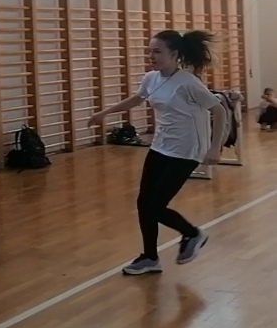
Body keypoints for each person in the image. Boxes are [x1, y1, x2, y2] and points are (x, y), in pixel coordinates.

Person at [87, 29, 226, 276]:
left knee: (155, 205)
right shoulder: (151, 78)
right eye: (150, 51)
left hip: (186, 151)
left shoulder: (188, 82)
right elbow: (136, 99)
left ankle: (192, 233)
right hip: (161, 146)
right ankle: (150, 258)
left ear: (174, 54)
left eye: (157, 51)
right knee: (144, 203)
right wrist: (104, 113)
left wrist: (215, 148)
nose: (151, 55)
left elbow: (219, 111)